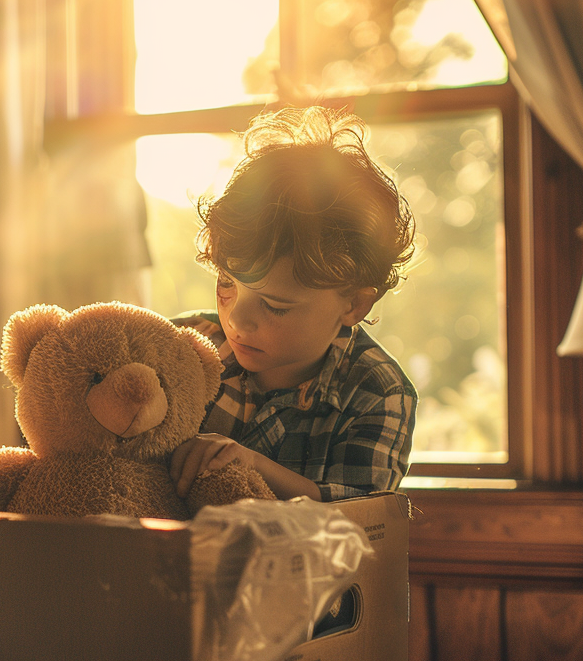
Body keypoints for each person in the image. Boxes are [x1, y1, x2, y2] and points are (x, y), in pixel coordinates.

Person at [171, 105, 417, 503]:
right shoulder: (181, 346)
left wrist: (250, 465)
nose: (238, 319)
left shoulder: (377, 391)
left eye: (275, 305)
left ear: (353, 304)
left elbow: (362, 515)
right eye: (226, 283)